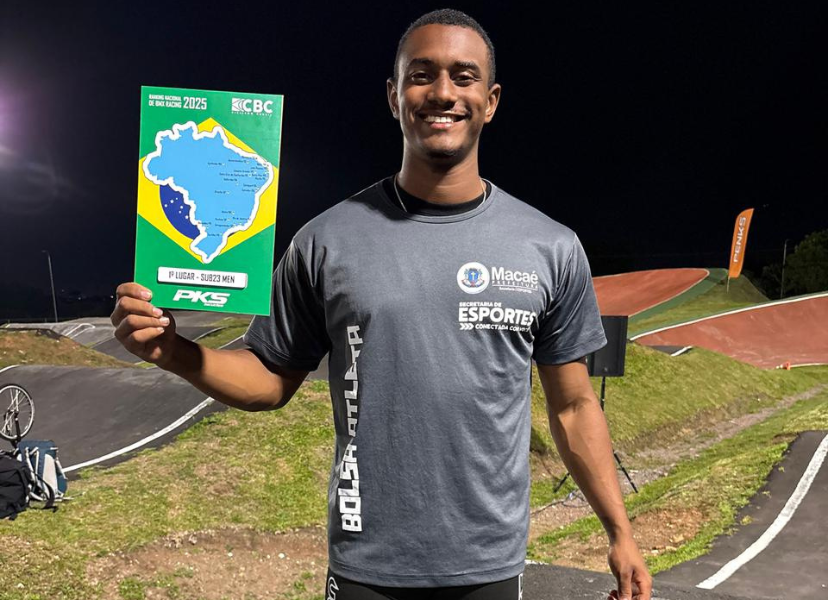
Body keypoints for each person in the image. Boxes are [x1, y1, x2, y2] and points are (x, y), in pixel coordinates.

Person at [111, 8, 652, 600]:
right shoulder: (325, 241)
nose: (442, 92)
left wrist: (619, 532)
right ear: (394, 96)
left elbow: (573, 406)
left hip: (490, 568)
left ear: (491, 101)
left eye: (463, 76)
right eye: (421, 75)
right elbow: (269, 379)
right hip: (366, 567)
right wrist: (174, 352)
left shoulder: (551, 248)